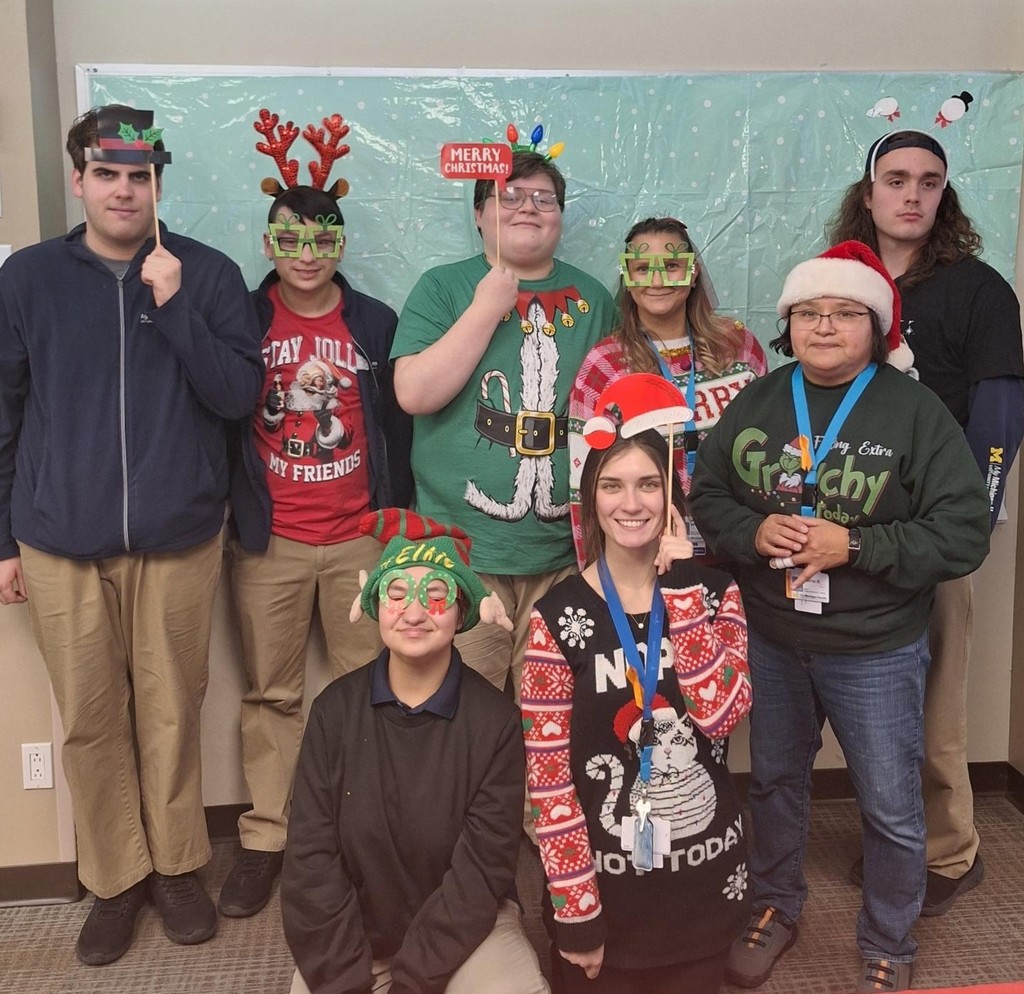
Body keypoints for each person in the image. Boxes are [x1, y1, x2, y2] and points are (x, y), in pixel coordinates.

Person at [689, 241, 991, 993]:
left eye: (846, 312)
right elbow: (710, 495)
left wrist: (854, 544)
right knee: (776, 785)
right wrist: (752, 533)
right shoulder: (760, 397)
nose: (825, 326)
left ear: (878, 325)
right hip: (773, 636)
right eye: (809, 313)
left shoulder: (914, 410)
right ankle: (775, 906)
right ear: (789, 325)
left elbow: (963, 532)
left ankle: (891, 939)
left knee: (889, 805)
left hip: (876, 647)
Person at [0, 106, 263, 964]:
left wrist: (175, 305)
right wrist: (4, 540)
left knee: (172, 711)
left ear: (158, 184)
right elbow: (3, 412)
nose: (123, 188)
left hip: (177, 537)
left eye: (139, 175)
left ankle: (179, 866)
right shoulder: (30, 278)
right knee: (89, 716)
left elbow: (236, 398)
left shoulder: (208, 274)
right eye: (106, 173)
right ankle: (114, 880)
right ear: (78, 179)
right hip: (57, 538)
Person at [827, 129, 1024, 915]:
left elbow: (1002, 415)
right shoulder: (843, 282)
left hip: (933, 531)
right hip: (850, 528)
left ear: (946, 195)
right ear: (869, 191)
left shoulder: (978, 289)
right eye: (897, 179)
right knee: (870, 695)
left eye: (930, 181)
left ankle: (947, 855)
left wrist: (966, 523)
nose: (912, 194)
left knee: (936, 695)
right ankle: (892, 838)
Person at [220, 165, 413, 918]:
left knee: (367, 692)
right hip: (270, 540)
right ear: (270, 242)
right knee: (272, 695)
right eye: (290, 237)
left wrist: (392, 520)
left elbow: (397, 426)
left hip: (359, 536)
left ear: (341, 241)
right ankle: (269, 837)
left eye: (322, 235)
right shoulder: (242, 318)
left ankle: (358, 833)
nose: (306, 251)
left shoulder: (374, 322)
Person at [522, 374, 753, 994]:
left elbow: (722, 715)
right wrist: (576, 911)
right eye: (612, 485)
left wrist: (679, 592)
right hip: (602, 897)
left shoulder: (714, 593)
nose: (632, 503)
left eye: (648, 484)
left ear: (671, 493)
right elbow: (549, 781)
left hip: (702, 888)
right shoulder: (556, 618)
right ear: (590, 499)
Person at [281, 509, 550, 994]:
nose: (413, 612)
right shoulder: (333, 713)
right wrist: (346, 979)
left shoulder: (495, 722)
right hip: (358, 937)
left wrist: (411, 983)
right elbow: (310, 861)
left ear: (461, 608)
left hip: (466, 934)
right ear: (376, 603)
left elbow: (482, 871)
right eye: (398, 593)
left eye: (436, 595)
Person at [391, 146, 615, 698]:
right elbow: (415, 393)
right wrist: (486, 307)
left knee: (552, 712)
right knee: (465, 710)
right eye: (508, 196)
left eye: (544, 198)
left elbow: (614, 416)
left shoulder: (593, 297)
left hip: (565, 556)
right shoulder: (442, 287)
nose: (527, 208)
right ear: (478, 214)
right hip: (466, 555)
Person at [569, 216, 766, 567]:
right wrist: (597, 576)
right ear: (627, 279)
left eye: (672, 265)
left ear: (693, 274)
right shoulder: (605, 364)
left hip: (740, 545)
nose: (657, 279)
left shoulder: (738, 346)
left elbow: (771, 444)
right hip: (647, 555)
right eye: (642, 267)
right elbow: (584, 483)